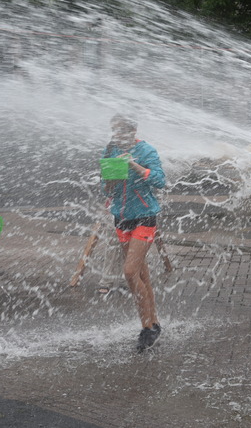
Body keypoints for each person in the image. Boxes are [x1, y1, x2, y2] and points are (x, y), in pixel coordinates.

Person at [102, 115, 166, 351]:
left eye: (122, 131)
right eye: (115, 131)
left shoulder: (146, 150)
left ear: (133, 130)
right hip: (121, 218)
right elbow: (105, 188)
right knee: (142, 275)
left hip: (145, 216)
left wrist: (133, 165)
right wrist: (111, 180)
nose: (118, 136)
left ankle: (146, 328)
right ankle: (154, 323)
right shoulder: (109, 150)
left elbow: (160, 180)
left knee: (129, 272)